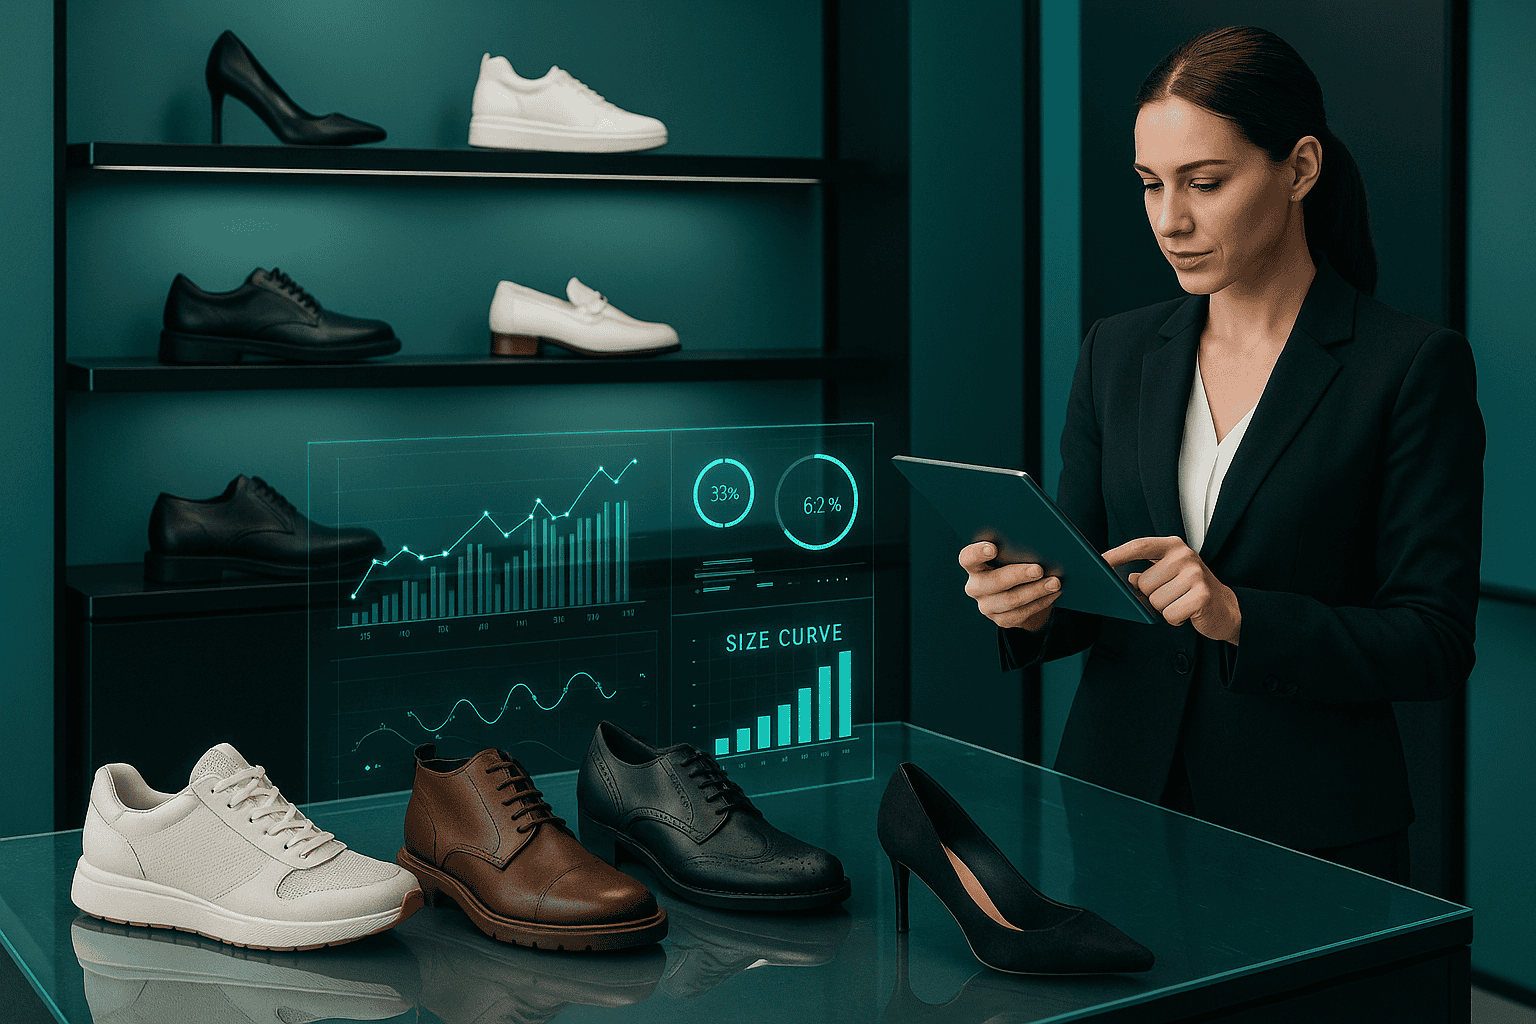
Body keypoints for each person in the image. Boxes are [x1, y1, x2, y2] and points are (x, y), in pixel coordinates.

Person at [959, 25, 1483, 884]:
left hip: (1309, 831)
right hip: (1115, 801)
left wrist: (1239, 614)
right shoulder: (1116, 352)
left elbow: (1433, 641)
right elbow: (1090, 580)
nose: (1170, 221)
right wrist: (1028, 603)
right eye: (1149, 185)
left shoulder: (1409, 367)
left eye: (1205, 183)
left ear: (1301, 168)